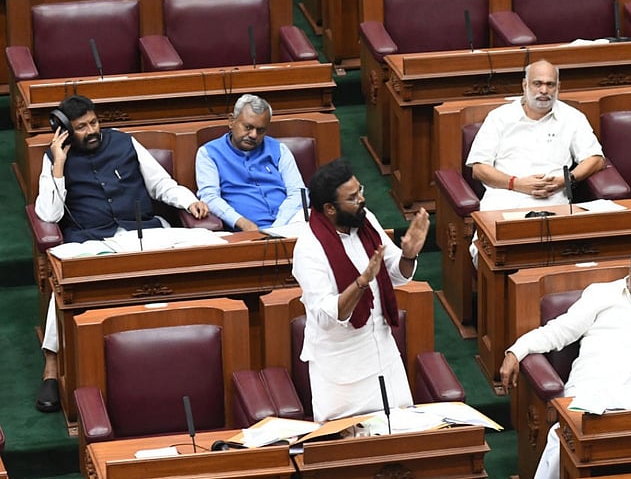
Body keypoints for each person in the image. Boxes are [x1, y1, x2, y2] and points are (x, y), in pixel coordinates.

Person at [34, 95, 209, 412]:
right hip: (91, 241)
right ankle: (51, 368)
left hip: (144, 232)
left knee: (207, 246)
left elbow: (160, 184)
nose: (91, 130)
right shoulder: (54, 158)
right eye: (81, 127)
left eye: (93, 122)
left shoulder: (125, 143)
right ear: (65, 130)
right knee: (63, 281)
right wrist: (58, 163)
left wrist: (187, 201)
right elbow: (48, 213)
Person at [499, 243, 631, 479]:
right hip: (592, 393)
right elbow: (557, 331)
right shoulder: (602, 295)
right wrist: (516, 351)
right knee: (565, 437)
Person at [291, 158, 429, 421]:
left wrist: (409, 255)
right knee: (351, 451)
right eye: (353, 198)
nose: (362, 200)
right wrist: (361, 282)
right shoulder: (309, 249)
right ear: (330, 208)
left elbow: (394, 273)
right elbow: (324, 316)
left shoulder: (366, 222)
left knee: (403, 439)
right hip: (341, 372)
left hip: (384, 353)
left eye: (360, 191)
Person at [464, 59, 605, 264]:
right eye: (537, 84)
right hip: (506, 196)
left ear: (559, 87)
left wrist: (565, 180)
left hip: (552, 198)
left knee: (556, 255)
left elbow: (596, 159)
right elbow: (479, 168)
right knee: (493, 254)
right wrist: (517, 183)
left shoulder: (572, 117)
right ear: (524, 86)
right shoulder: (499, 117)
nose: (544, 90)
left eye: (550, 84)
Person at [195, 94, 308, 232]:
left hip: (289, 224)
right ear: (231, 121)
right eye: (248, 127)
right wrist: (242, 223)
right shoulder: (209, 153)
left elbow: (298, 192)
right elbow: (210, 197)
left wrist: (278, 227)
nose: (253, 135)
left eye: (260, 130)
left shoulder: (279, 149)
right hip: (243, 232)